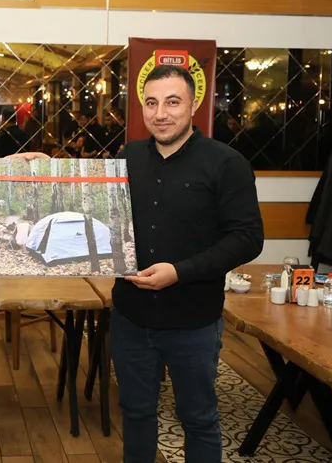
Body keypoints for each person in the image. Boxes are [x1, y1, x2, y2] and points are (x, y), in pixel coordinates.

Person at [111, 65, 264, 463]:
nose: (160, 113)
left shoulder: (227, 163)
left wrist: (180, 272)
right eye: (151, 103)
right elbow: (97, 211)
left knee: (198, 418)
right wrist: (42, 171)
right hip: (130, 317)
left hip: (193, 320)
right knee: (135, 412)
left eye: (172, 102)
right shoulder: (126, 157)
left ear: (194, 105)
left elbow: (248, 237)